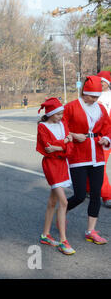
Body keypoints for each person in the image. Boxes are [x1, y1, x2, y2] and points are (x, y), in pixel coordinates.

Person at [62, 75, 111, 245]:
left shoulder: (101, 109)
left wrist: (106, 139)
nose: (95, 100)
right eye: (92, 96)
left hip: (96, 155)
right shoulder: (71, 107)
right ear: (85, 93)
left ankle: (91, 230)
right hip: (78, 155)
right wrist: (73, 135)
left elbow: (108, 128)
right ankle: (62, 211)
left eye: (97, 97)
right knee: (80, 195)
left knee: (96, 194)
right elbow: (62, 127)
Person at [36, 98, 75, 255]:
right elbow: (47, 148)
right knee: (63, 202)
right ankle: (63, 241)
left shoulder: (63, 123)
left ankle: (45, 235)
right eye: (58, 114)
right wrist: (65, 142)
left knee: (52, 202)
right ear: (50, 114)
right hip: (51, 165)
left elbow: (69, 148)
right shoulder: (42, 126)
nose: (61, 116)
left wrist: (60, 145)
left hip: (62, 164)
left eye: (61, 113)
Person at [96, 70, 111, 207]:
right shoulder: (93, 94)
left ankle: (106, 195)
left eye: (103, 82)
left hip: (107, 134)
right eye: (98, 81)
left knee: (101, 165)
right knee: (94, 163)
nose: (100, 84)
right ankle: (90, 189)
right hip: (94, 134)